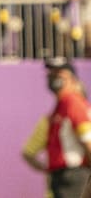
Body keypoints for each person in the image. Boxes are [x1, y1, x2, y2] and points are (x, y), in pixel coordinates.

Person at [44, 56, 91, 198]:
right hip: (63, 176)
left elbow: (88, 139)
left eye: (58, 74)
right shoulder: (62, 105)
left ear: (71, 78)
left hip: (73, 175)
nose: (52, 77)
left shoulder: (73, 103)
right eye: (50, 73)